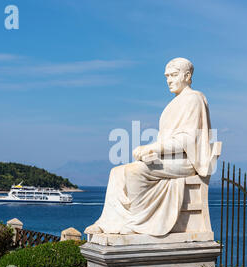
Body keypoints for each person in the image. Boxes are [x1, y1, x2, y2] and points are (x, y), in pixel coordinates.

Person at [85, 57, 213, 236]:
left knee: (135, 171)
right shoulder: (174, 103)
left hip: (185, 160)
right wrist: (151, 149)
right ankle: (109, 223)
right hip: (170, 158)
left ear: (187, 75)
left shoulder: (194, 99)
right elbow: (166, 139)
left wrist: (153, 149)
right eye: (167, 76)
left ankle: (138, 223)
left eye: (174, 75)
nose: (169, 80)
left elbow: (187, 139)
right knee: (116, 172)